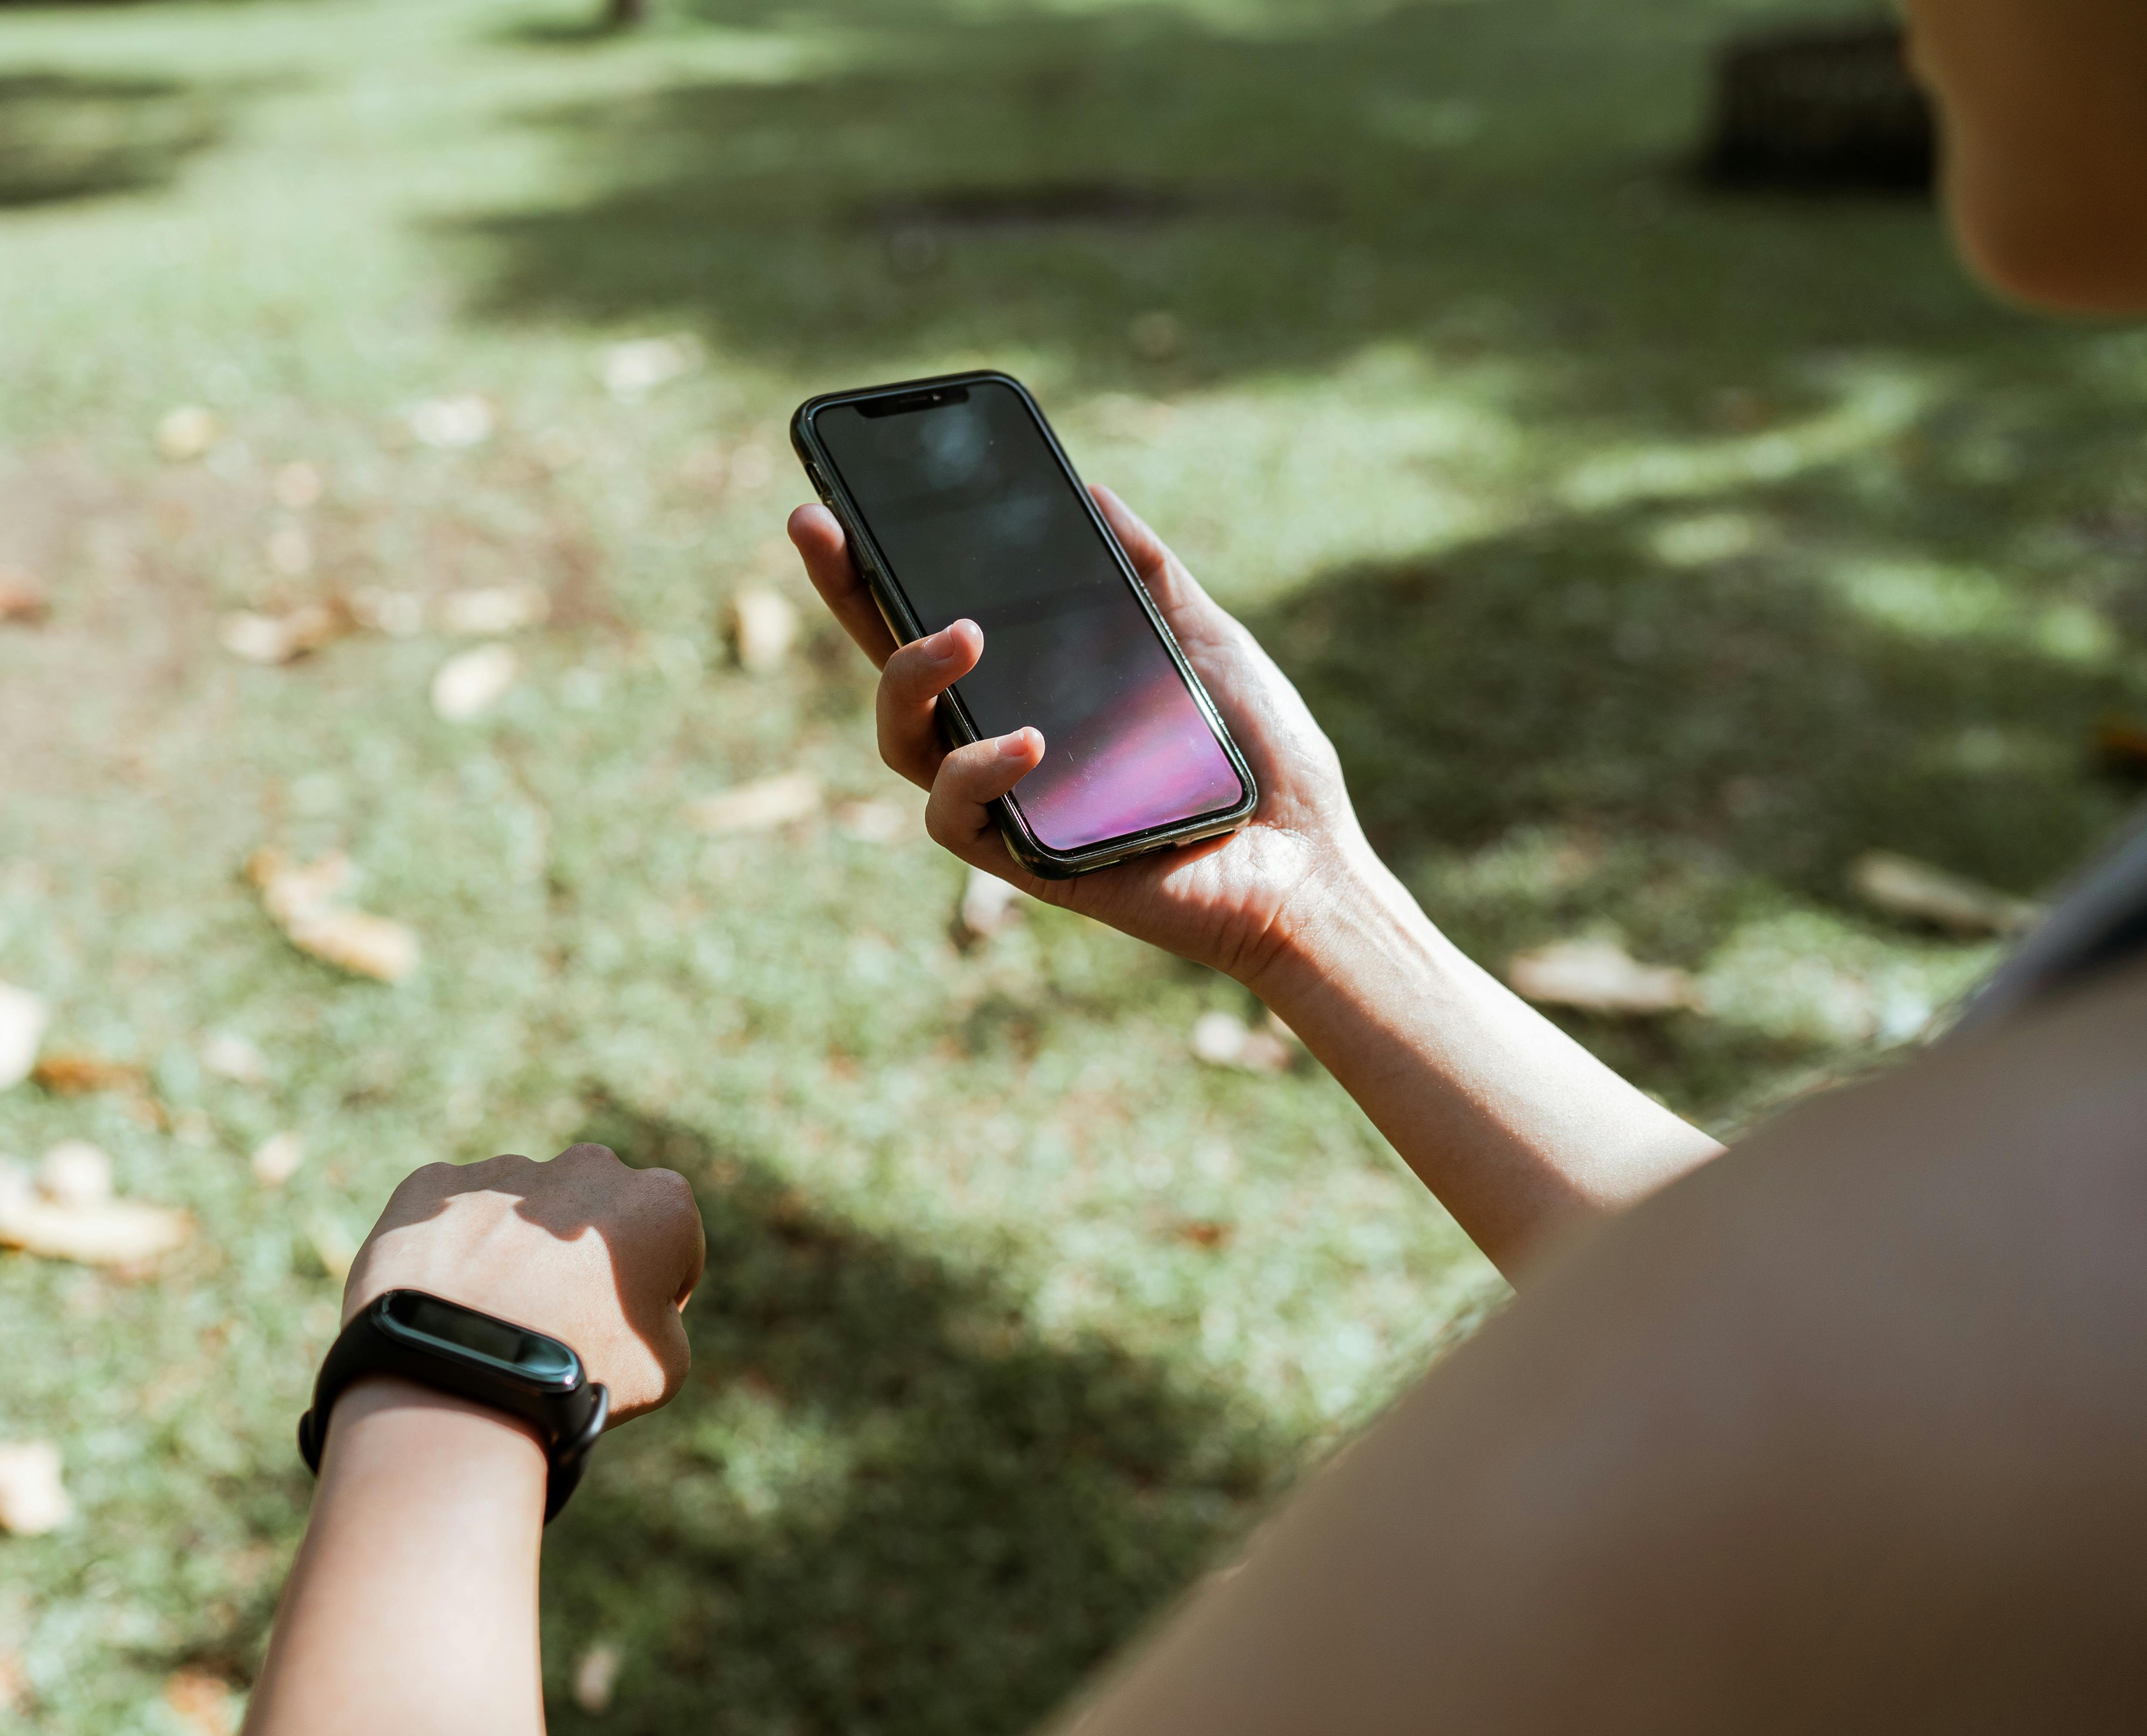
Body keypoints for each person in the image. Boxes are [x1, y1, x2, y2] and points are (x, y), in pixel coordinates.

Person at [243, 4, 2147, 1728]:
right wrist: (1307, 904)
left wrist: (451, 1391)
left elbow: (1931, 1343)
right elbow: (1829, 1347)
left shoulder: (2046, 1225)